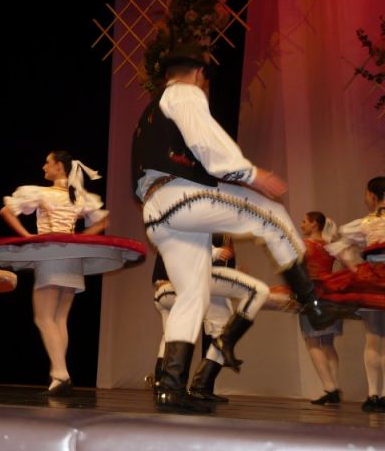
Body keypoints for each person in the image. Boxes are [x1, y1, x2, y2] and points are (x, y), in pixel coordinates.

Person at [131, 43, 349, 413]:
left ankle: (170, 386)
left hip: (157, 213)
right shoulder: (185, 94)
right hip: (181, 198)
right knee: (273, 217)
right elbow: (205, 142)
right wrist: (249, 173)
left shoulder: (150, 113)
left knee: (192, 295)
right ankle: (312, 303)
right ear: (200, 74)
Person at [0, 151, 109, 395]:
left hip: (50, 256)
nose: (43, 166)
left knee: (43, 318)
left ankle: (60, 373)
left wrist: (28, 237)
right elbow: (103, 222)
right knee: (59, 319)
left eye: (47, 162)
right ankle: (59, 374)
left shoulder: (42, 193)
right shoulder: (77, 196)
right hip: (72, 259)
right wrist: (78, 238)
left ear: (59, 166)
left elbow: (5, 212)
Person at [151, 237, 270, 403]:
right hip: (177, 288)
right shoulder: (202, 232)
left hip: (173, 290)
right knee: (222, 330)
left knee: (174, 334)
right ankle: (195, 386)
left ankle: (168, 386)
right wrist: (218, 253)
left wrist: (234, 270)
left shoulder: (215, 235)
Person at [324, 177, 385, 413]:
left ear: (372, 195)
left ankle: (373, 394)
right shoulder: (365, 222)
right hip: (374, 279)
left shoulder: (365, 223)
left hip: (372, 280)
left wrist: (353, 266)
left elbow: (340, 246)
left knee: (373, 338)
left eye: (365, 193)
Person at [298, 211, 344, 405]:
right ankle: (333, 388)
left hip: (313, 296)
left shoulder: (304, 245)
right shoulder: (331, 245)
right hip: (331, 296)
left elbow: (298, 272)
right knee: (327, 343)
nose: (301, 225)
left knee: (312, 342)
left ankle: (330, 388)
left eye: (304, 221)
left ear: (314, 224)